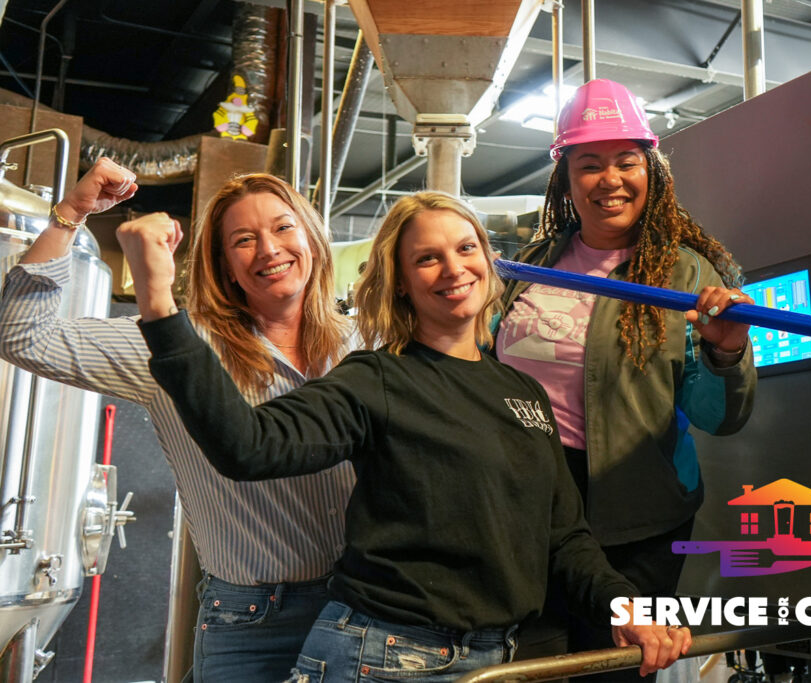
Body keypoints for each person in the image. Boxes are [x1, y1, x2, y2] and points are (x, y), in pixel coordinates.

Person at [118, 191, 693, 682]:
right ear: (399, 284)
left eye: (466, 249)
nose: (454, 269)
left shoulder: (523, 393)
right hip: (381, 658)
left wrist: (625, 606)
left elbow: (565, 536)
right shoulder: (377, 378)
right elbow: (249, 445)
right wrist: (159, 303)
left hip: (497, 659)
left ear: (490, 264)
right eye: (427, 259)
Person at [0, 158, 360, 682]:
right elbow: (21, 336)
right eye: (243, 240)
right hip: (255, 620)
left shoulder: (365, 342)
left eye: (283, 227)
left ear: (312, 238)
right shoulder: (174, 344)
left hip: (360, 608)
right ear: (224, 266)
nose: (270, 249)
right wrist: (72, 212)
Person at [495, 78, 757, 678]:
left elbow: (721, 418)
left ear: (652, 171)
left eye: (626, 162)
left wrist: (726, 353)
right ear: (565, 178)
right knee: (529, 661)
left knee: (610, 668)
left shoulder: (687, 274)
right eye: (589, 165)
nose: (609, 179)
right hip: (529, 503)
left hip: (639, 519)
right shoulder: (529, 266)